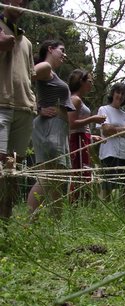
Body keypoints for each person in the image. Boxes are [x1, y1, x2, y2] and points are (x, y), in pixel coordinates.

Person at [27, 40, 75, 217]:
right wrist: (36, 108)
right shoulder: (45, 66)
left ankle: (56, 225)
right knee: (48, 178)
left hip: (58, 129)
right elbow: (23, 79)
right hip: (50, 127)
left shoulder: (51, 72)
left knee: (57, 179)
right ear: (50, 49)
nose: (64, 54)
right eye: (62, 50)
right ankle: (26, 222)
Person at [0, 0, 36, 220]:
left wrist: (33, 101)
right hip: (1, 106)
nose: (21, 2)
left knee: (13, 171)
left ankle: (5, 222)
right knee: (0, 167)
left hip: (24, 109)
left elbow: (29, 75)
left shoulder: (27, 42)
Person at [67, 69, 105, 202]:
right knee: (80, 173)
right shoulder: (75, 100)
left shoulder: (79, 100)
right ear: (81, 81)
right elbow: (72, 124)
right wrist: (93, 119)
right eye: (89, 81)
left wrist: (91, 136)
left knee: (85, 172)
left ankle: (82, 203)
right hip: (77, 140)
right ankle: (75, 204)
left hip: (83, 139)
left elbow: (80, 125)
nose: (92, 84)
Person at [96, 82, 125, 204]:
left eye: (123, 94)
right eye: (118, 92)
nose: (120, 96)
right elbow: (106, 130)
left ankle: (124, 214)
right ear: (113, 93)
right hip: (109, 153)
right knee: (108, 186)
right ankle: (107, 215)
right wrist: (124, 130)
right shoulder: (104, 109)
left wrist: (115, 129)